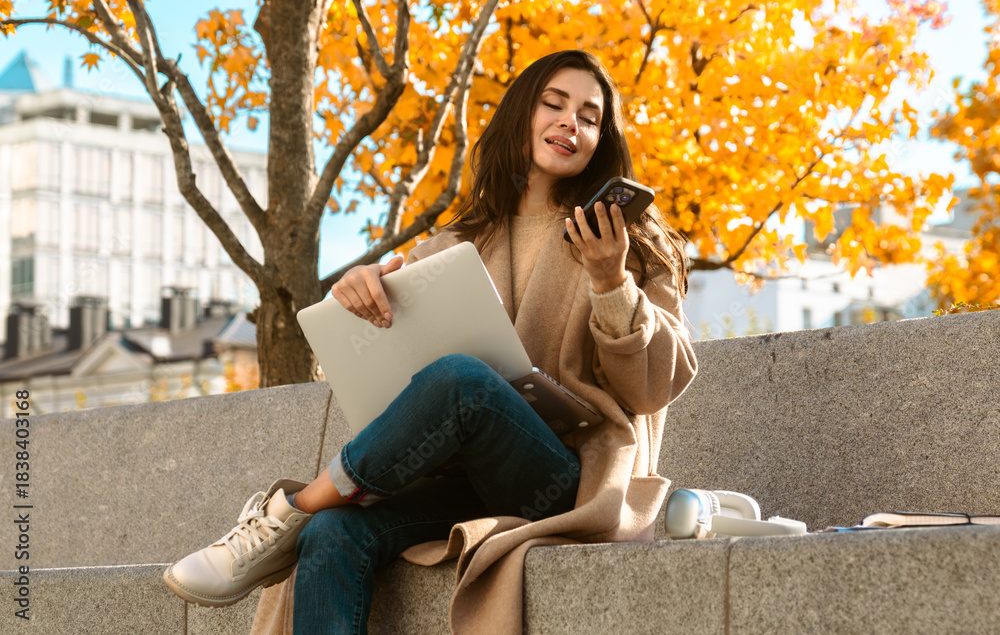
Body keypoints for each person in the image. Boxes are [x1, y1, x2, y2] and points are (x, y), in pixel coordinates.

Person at [163, 50, 698, 634]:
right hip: (455, 480)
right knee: (334, 533)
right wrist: (360, 290)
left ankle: (288, 512)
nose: (572, 124)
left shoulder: (630, 243)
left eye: (591, 117)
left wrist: (610, 282)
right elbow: (387, 364)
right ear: (521, 115)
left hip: (562, 482)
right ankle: (309, 520)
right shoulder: (454, 243)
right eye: (554, 104)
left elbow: (652, 388)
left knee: (463, 379)